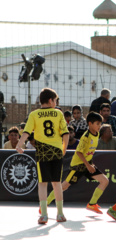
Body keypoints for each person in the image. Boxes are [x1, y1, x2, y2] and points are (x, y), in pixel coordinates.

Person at [16, 88, 69, 224]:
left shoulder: (34, 114)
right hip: (56, 151)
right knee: (57, 183)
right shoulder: (58, 113)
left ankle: (44, 215)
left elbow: (27, 132)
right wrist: (64, 148)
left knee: (42, 183)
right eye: (55, 100)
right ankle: (60, 214)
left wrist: (19, 145)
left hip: (42, 151)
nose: (56, 103)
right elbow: (65, 133)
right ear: (51, 100)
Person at [45, 112, 109, 214]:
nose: (99, 126)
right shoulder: (86, 137)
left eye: (100, 124)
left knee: (104, 181)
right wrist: (88, 165)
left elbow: (89, 153)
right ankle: (45, 203)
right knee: (64, 186)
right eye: (97, 124)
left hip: (87, 164)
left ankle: (92, 204)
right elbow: (79, 152)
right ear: (90, 124)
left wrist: (89, 164)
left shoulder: (96, 135)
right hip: (78, 166)